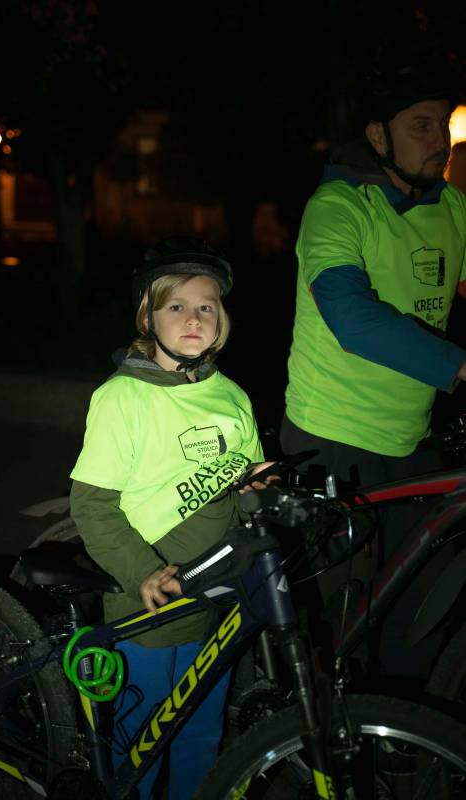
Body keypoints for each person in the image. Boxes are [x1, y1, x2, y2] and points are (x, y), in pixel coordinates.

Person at [281, 55, 466, 682]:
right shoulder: (337, 207)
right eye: (421, 126)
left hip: (410, 440)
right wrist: (459, 366)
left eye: (443, 125)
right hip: (331, 443)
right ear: (378, 136)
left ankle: (403, 726)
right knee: (345, 625)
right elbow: (351, 317)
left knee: (417, 609)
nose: (439, 141)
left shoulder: (451, 208)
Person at [69, 236, 274, 800]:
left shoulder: (232, 396)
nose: (193, 318)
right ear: (148, 316)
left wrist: (257, 487)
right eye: (176, 306)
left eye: (206, 306)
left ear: (222, 320)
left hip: (217, 591)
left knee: (202, 734)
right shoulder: (123, 398)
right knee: (142, 741)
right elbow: (92, 504)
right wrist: (142, 571)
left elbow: (242, 485)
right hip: (151, 600)